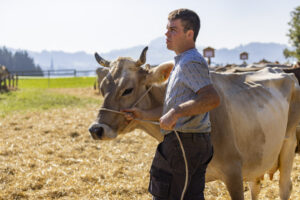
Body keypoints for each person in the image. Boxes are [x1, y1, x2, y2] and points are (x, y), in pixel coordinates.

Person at [123, 8, 220, 200]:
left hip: (185, 142)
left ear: (189, 34)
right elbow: (172, 107)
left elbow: (211, 98)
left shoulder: (191, 62)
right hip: (182, 142)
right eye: (167, 29)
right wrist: (142, 114)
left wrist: (175, 113)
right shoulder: (181, 63)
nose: (166, 34)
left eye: (173, 30)